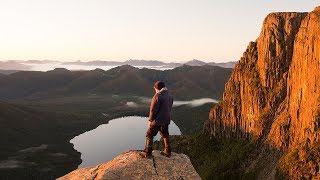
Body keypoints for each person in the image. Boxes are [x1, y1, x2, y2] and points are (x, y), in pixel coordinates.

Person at [144, 81, 173, 158]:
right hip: (166, 119)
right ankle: (168, 151)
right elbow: (169, 108)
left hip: (158, 120)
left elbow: (153, 110)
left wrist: (150, 120)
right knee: (165, 134)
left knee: (149, 134)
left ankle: (148, 153)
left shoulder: (157, 96)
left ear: (157, 88)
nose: (155, 90)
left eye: (155, 89)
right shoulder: (170, 96)